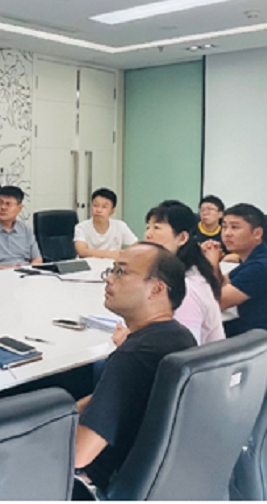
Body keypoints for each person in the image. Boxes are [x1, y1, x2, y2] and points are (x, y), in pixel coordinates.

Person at [74, 243, 196, 493]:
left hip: (104, 485)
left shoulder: (132, 356)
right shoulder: (182, 337)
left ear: (157, 289)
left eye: (121, 271)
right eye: (112, 269)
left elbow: (78, 454)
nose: (109, 278)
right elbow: (120, 398)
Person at [202, 203, 267, 337]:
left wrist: (212, 263)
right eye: (224, 227)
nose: (227, 233)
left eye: (235, 227)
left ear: (257, 233)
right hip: (256, 331)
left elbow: (217, 304)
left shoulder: (262, 266)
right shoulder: (256, 257)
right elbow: (225, 282)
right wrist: (215, 264)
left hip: (264, 338)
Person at [144, 202, 225, 344]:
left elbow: (185, 347)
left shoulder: (187, 288)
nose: (148, 235)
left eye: (157, 228)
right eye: (147, 227)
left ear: (182, 238)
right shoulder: (177, 274)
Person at [74, 188, 138, 260]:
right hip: (87, 265)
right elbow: (82, 252)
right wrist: (110, 254)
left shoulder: (120, 226)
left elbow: (136, 246)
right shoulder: (81, 227)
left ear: (112, 211)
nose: (98, 210)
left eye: (104, 207)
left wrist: (124, 254)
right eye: (95, 205)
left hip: (112, 265)